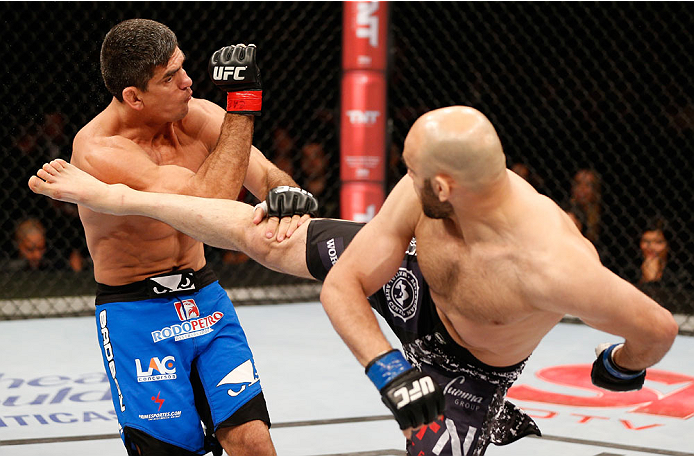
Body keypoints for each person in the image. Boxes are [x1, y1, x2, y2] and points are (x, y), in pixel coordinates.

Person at [30, 106, 679, 456]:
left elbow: (654, 328)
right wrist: (391, 373)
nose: (405, 175)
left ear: (446, 183)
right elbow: (345, 284)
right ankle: (118, 197)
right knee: (267, 234)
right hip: (418, 284)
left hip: (473, 362)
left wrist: (620, 366)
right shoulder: (429, 192)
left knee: (431, 441)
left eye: (412, 170)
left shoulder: (554, 263)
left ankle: (487, 411)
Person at [37, 18, 318, 456]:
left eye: (183, 67)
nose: (188, 82)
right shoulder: (97, 150)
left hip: (204, 297)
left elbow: (267, 176)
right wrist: (243, 104)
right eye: (170, 78)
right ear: (133, 97)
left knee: (254, 441)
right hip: (136, 311)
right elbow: (204, 206)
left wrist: (287, 202)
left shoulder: (197, 115)